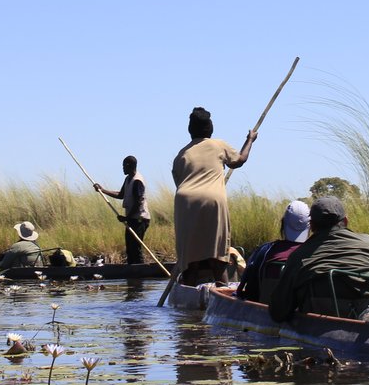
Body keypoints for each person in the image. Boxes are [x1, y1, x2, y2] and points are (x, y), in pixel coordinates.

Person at [171, 106, 256, 286]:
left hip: (185, 202)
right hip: (213, 200)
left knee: (190, 260)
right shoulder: (218, 145)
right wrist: (250, 140)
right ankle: (223, 290)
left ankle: (188, 297)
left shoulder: (181, 155)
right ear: (210, 129)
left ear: (190, 130)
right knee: (217, 256)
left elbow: (179, 183)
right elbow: (240, 160)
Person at [268, 196, 369, 322]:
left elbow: (278, 312)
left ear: (311, 226)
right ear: (345, 221)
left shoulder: (299, 256)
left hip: (324, 322)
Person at [236, 200, 310, 302]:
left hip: (264, 310)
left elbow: (246, 288)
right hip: (302, 312)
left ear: (283, 224)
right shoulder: (314, 253)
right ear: (309, 227)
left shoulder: (266, 250)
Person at [94, 155, 151, 265]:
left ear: (129, 166)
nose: (123, 168)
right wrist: (102, 190)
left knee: (135, 247)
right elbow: (121, 195)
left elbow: (138, 202)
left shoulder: (137, 181)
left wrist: (127, 218)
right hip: (132, 218)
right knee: (130, 248)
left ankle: (139, 272)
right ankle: (132, 274)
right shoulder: (128, 179)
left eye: (124, 166)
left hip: (139, 219)